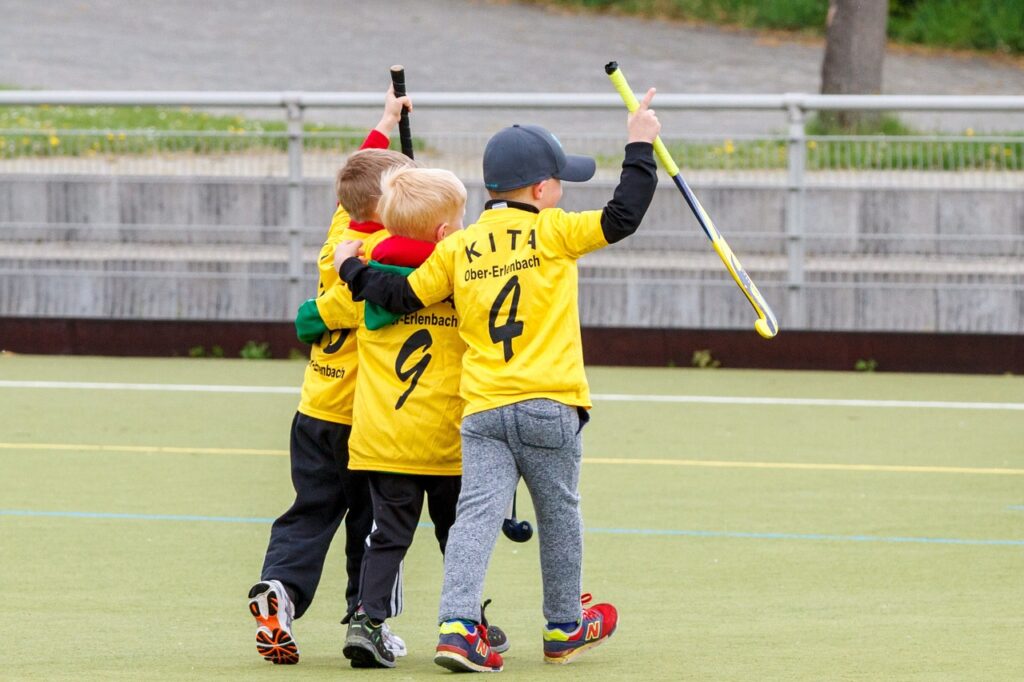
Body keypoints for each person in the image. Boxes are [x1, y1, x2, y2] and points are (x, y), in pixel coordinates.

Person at [332, 87, 661, 672]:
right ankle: (564, 625)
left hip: (481, 412)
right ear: (541, 191)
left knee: (475, 518)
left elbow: (398, 293)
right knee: (560, 514)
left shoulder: (458, 246)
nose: (561, 190)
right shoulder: (555, 230)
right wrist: (640, 145)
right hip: (549, 405)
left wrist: (353, 266)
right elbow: (624, 215)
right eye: (559, 181)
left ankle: (458, 626)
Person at [247, 86, 414, 666]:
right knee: (374, 526)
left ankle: (281, 591)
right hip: (368, 419)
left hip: (315, 408)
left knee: (310, 511)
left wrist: (386, 122)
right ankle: (368, 621)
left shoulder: (339, 235)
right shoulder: (390, 258)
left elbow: (363, 175)